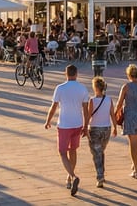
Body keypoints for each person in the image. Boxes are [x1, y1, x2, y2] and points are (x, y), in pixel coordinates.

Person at [45, 63, 90, 197]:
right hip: (77, 123)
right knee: (73, 151)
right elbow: (86, 110)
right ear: (76, 74)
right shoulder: (82, 88)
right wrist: (86, 126)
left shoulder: (60, 88)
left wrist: (48, 120)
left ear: (66, 74)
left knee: (62, 152)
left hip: (64, 124)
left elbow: (54, 106)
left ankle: (72, 175)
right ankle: (69, 178)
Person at [114, 63, 137, 179]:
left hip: (131, 116)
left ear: (129, 75)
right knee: (136, 141)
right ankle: (134, 164)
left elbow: (119, 103)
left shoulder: (126, 87)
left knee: (132, 143)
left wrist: (114, 115)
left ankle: (136, 169)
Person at [85, 76, 115, 188]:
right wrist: (115, 127)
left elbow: (88, 115)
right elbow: (112, 114)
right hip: (107, 129)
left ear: (95, 88)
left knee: (96, 154)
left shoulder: (92, 100)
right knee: (100, 151)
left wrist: (84, 128)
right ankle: (102, 172)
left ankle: (100, 176)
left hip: (95, 129)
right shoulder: (109, 99)